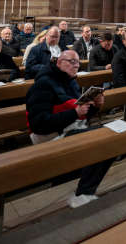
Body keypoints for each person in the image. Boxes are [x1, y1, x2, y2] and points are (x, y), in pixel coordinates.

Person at [25, 50, 113, 208]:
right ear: (59, 62)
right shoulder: (43, 84)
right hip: (50, 135)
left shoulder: (70, 81)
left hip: (69, 127)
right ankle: (83, 193)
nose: (76, 65)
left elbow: (81, 113)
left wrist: (96, 106)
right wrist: (74, 113)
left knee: (110, 135)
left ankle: (85, 190)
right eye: (71, 61)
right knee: (104, 138)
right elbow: (38, 124)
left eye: (78, 62)